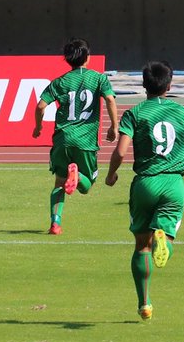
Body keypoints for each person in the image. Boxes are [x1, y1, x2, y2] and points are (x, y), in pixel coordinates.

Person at [105, 61, 184, 321]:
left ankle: (144, 303)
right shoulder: (183, 111)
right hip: (174, 183)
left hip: (145, 183)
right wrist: (182, 161)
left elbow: (120, 151)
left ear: (143, 85)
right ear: (170, 85)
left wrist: (111, 174)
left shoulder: (134, 113)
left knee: (141, 246)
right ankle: (163, 241)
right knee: (165, 238)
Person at [32, 38, 119, 235]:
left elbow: (40, 106)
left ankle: (55, 223)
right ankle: (78, 176)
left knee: (59, 182)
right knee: (86, 185)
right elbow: (110, 100)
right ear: (87, 57)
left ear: (68, 59)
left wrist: (38, 127)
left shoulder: (60, 81)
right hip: (85, 141)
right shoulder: (98, 78)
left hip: (63, 139)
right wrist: (114, 126)